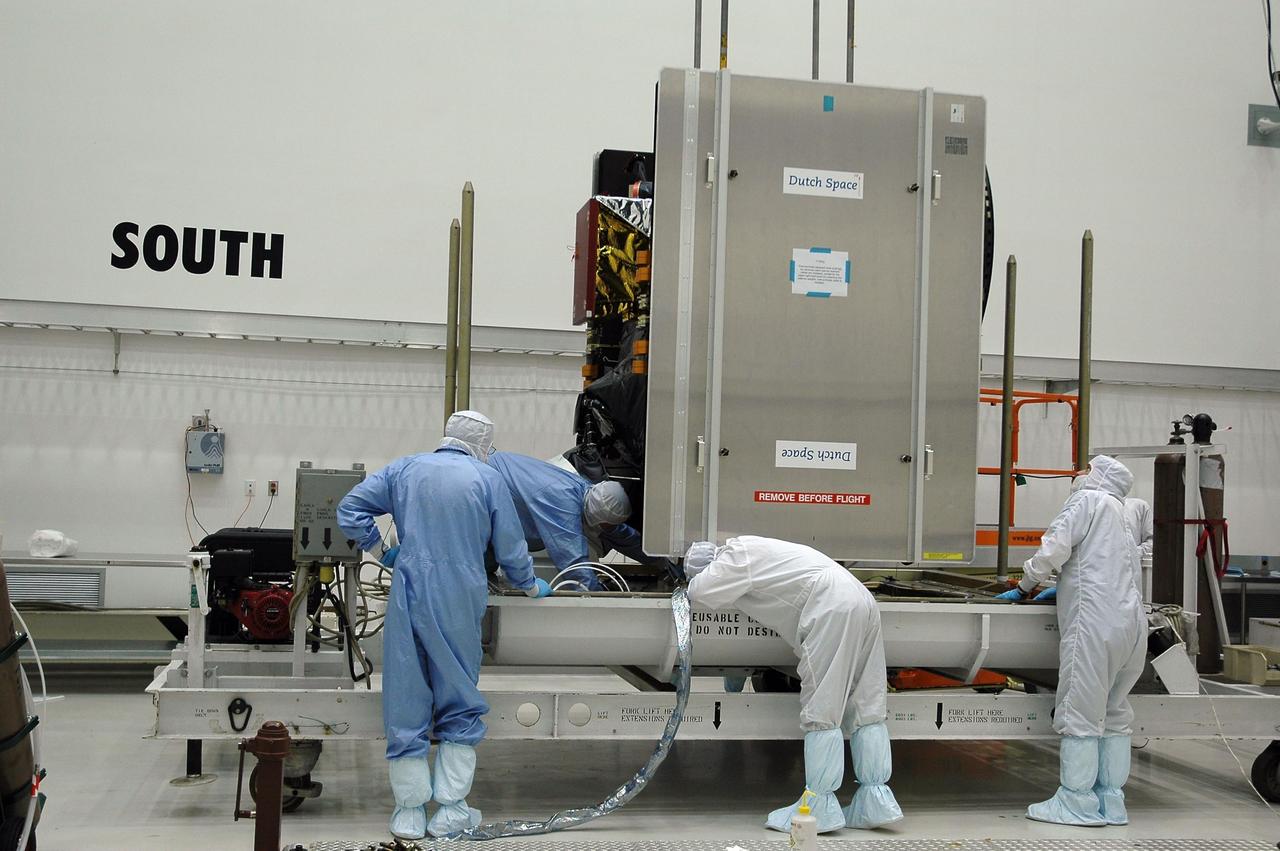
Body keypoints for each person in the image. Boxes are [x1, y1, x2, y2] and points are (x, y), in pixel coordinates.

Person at [337, 410, 552, 841]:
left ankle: (408, 812)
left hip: (409, 589)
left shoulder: (405, 469)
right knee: (459, 693)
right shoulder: (488, 479)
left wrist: (384, 551)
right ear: (483, 444)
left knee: (406, 693)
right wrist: (530, 584)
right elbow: (510, 547)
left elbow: (350, 508)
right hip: (459, 594)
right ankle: (451, 809)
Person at [683, 536, 903, 834]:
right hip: (860, 598)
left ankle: (818, 808)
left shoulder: (736, 555)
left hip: (830, 607)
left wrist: (690, 578)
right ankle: (875, 800)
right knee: (867, 703)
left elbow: (700, 591)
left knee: (823, 708)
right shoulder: (757, 552)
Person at [995, 455, 1146, 826]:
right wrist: (1062, 585)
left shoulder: (1087, 500)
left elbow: (1054, 547)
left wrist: (1026, 585)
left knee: (1080, 712)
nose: (1077, 473)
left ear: (1095, 476)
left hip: (1095, 622)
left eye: (1084, 468)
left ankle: (1076, 803)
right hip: (1131, 624)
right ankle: (1111, 802)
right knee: (1114, 715)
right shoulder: (1124, 512)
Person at [487, 450, 647, 590]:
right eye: (607, 526)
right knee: (483, 565)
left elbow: (620, 534)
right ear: (599, 519)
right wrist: (596, 596)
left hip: (492, 481)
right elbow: (573, 562)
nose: (610, 529)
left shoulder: (587, 493)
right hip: (486, 490)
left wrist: (661, 560)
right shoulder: (563, 502)